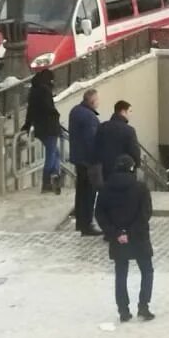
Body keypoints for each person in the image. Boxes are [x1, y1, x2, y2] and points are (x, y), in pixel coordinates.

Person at [95, 154, 155, 323]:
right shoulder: (141, 188)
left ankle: (123, 310)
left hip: (117, 240)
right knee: (147, 270)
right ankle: (143, 307)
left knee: (121, 274)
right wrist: (131, 232)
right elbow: (145, 213)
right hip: (139, 237)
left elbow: (100, 214)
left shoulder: (105, 189)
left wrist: (116, 233)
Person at [67, 88, 101, 235]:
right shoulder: (90, 117)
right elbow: (91, 140)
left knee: (80, 192)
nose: (99, 102)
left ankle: (81, 223)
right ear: (92, 101)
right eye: (98, 99)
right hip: (88, 160)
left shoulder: (75, 111)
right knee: (89, 193)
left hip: (78, 158)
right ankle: (87, 224)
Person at [23, 69, 62, 194]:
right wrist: (56, 114)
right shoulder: (45, 90)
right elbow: (48, 108)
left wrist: (27, 125)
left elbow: (30, 111)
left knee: (55, 152)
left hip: (40, 128)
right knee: (52, 153)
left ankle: (54, 175)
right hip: (49, 126)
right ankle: (48, 180)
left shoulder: (33, 91)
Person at [95, 100, 140, 183]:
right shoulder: (129, 130)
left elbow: (96, 147)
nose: (131, 114)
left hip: (105, 170)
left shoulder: (102, 127)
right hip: (124, 171)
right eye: (130, 111)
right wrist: (136, 164)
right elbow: (135, 152)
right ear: (123, 112)